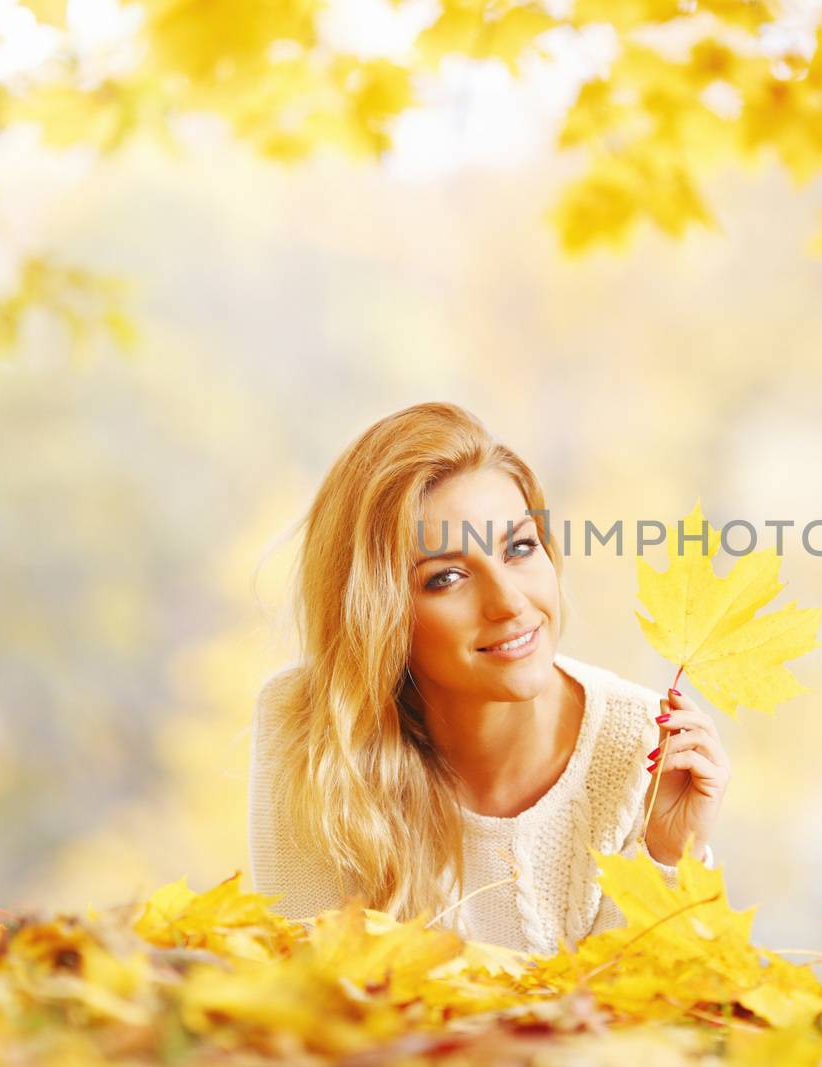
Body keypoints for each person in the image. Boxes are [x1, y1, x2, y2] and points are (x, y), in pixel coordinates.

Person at [247, 401, 730, 955]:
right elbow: (306, 986)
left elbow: (654, 1018)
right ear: (377, 612)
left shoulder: (648, 746)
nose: (509, 602)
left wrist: (669, 856)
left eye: (520, 548)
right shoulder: (312, 724)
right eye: (446, 577)